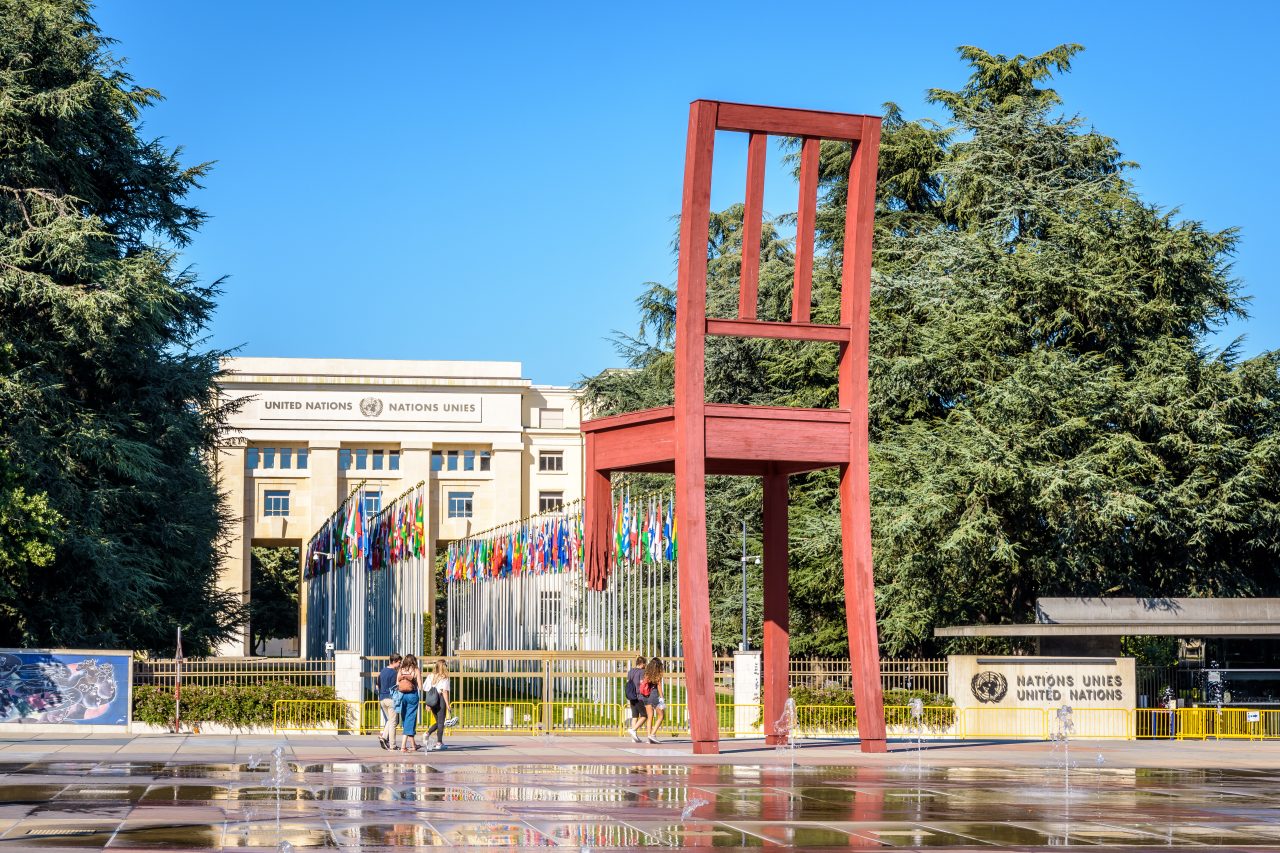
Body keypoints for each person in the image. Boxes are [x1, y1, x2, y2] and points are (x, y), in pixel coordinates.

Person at [422, 660, 453, 751]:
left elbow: (426, 689)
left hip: (432, 700)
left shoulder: (430, 676)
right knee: (440, 722)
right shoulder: (444, 677)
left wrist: (428, 704)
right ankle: (439, 742)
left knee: (439, 721)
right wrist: (448, 704)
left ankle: (428, 733)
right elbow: (445, 692)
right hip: (440, 700)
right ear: (444, 667)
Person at [395, 654, 421, 752]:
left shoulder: (401, 670)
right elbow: (420, 685)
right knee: (410, 719)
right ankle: (403, 746)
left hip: (402, 695)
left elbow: (397, 684)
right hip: (412, 695)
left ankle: (413, 745)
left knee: (406, 718)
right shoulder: (416, 670)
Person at [376, 653, 402, 750]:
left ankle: (383, 738)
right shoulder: (395, 673)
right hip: (391, 699)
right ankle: (393, 745)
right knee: (393, 723)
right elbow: (396, 686)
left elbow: (378, 684)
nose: (400, 664)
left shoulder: (382, 671)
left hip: (382, 698)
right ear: (394, 661)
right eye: (399, 662)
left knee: (390, 720)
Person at [641, 657, 666, 744]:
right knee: (661, 715)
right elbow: (659, 686)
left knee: (650, 716)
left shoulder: (646, 673)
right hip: (654, 696)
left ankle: (649, 737)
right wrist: (662, 698)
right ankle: (653, 734)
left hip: (645, 696)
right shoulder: (657, 673)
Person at [624, 655, 648, 743]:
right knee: (645, 715)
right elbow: (642, 683)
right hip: (639, 696)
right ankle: (633, 730)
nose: (645, 665)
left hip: (631, 696)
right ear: (641, 664)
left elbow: (628, 682)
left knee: (635, 716)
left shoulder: (631, 671)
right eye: (645, 664)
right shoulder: (642, 672)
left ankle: (634, 737)